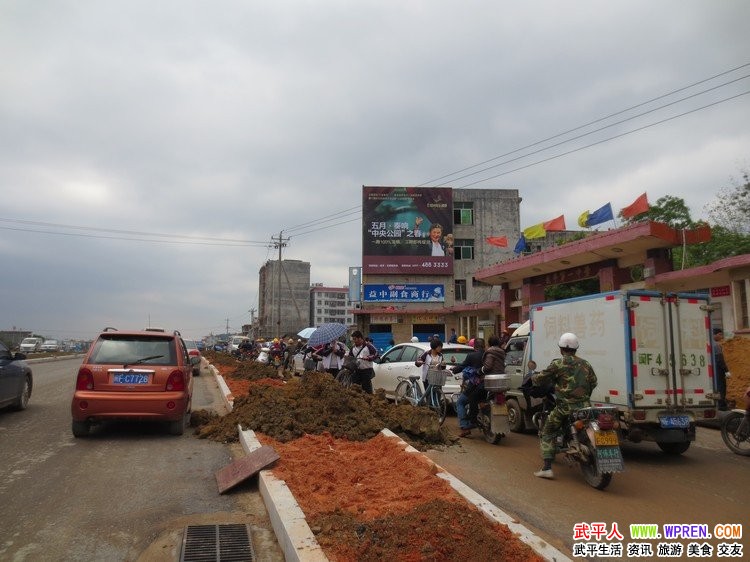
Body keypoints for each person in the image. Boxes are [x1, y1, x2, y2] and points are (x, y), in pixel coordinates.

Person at [531, 332, 597, 479]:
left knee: (547, 431)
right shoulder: (586, 363)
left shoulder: (558, 364)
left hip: (565, 407)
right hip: (585, 408)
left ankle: (547, 468)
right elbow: (594, 382)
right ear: (576, 348)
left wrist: (533, 377)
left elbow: (540, 378)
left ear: (561, 349)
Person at [451, 338, 485, 436]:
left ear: (474, 347)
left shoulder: (471, 356)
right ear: (484, 346)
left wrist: (454, 370)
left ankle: (465, 426)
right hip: (489, 386)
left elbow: (462, 366)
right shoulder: (488, 355)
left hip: (476, 385)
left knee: (460, 402)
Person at [713, 328, 728, 410]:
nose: (721, 336)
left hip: (714, 370)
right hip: (718, 371)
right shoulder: (716, 345)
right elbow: (720, 359)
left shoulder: (711, 344)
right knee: (721, 387)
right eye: (720, 334)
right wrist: (726, 370)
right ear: (714, 335)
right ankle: (722, 405)